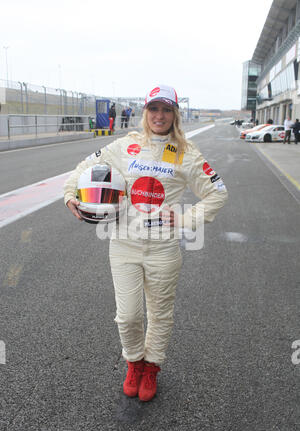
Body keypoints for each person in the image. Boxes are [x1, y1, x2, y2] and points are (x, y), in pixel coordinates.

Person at [64, 84, 228, 402]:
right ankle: (134, 362)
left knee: (160, 314)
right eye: (154, 109)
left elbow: (217, 192)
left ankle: (151, 367)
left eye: (166, 110)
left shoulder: (187, 153)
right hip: (124, 244)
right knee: (127, 316)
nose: (159, 115)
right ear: (145, 112)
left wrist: (183, 219)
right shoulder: (125, 146)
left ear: (175, 114)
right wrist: (70, 195)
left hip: (164, 249)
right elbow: (83, 168)